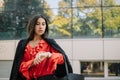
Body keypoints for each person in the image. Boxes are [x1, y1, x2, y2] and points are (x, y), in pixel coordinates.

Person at [10, 14, 73, 80]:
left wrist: (48, 54)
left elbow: (62, 58)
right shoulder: (22, 44)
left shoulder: (50, 43)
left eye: (43, 24)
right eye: (38, 24)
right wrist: (33, 62)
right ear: (32, 25)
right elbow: (18, 67)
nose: (41, 27)